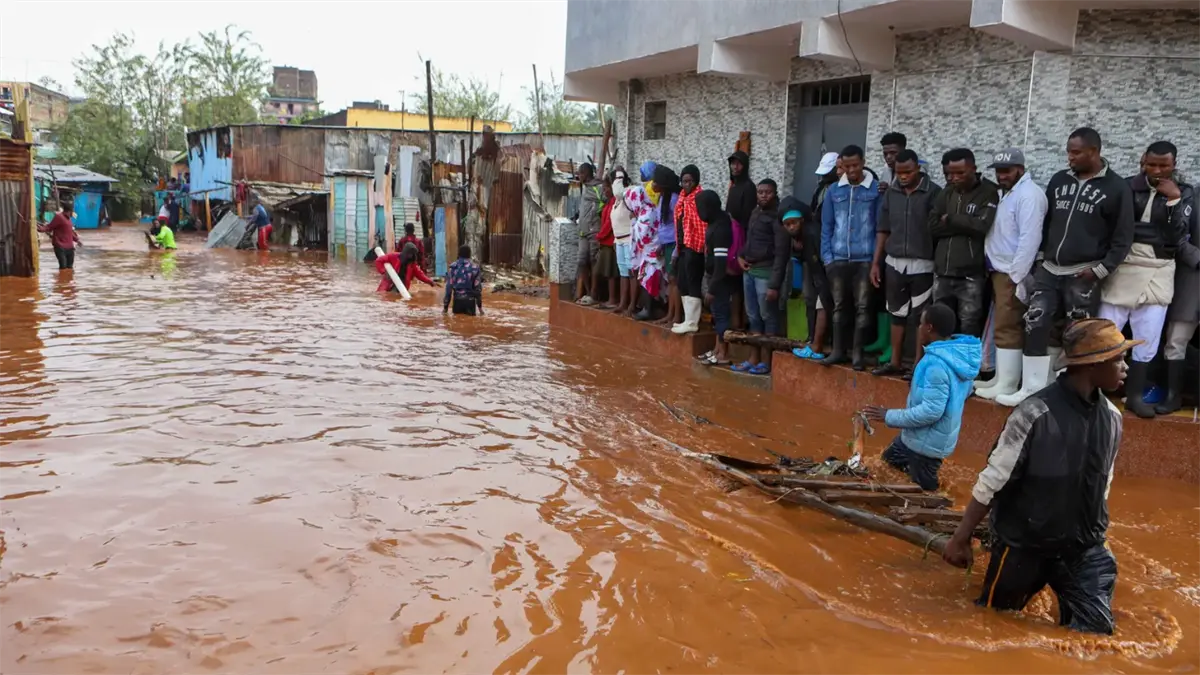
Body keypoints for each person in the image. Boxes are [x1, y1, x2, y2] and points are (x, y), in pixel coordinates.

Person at [943, 318, 1133, 636]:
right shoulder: (1032, 414)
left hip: (1083, 547)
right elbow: (994, 480)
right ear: (1092, 366)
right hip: (1025, 546)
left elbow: (1103, 483)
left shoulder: (1112, 418)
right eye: (1118, 360)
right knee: (992, 625)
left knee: (1096, 636)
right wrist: (960, 538)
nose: (1125, 367)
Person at [997, 128, 1135, 407]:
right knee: (1035, 323)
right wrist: (1038, 259)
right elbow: (1046, 224)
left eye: (1076, 152)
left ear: (1094, 152)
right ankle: (1033, 389)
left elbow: (1122, 238)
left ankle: (1065, 393)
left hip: (1083, 272)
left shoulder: (1117, 188)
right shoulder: (1059, 180)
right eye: (1068, 151)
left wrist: (1099, 270)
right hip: (1049, 269)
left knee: (1077, 333)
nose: (1069, 157)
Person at [1096, 141, 1192, 418]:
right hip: (1124, 267)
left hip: (1159, 271)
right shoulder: (1126, 187)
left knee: (1147, 337)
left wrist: (1173, 201)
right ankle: (1097, 393)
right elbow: (1118, 228)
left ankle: (1135, 395)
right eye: (1152, 164)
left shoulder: (1183, 192)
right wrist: (1150, 233)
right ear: (1143, 161)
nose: (1158, 170)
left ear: (1174, 165)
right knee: (1107, 333)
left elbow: (1178, 237)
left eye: (1164, 165)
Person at [862, 302, 981, 491]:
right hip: (915, 437)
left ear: (929, 328)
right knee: (884, 466)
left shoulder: (936, 365)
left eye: (921, 323)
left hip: (926, 447)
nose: (918, 328)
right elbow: (965, 391)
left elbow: (931, 412)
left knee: (926, 495)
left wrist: (888, 416)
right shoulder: (957, 357)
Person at [974, 148, 1047, 402]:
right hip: (998, 270)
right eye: (998, 171)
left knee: (1009, 327)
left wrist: (1017, 276)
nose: (1002, 175)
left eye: (1007, 171)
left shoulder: (1029, 195)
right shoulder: (1008, 194)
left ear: (1020, 168)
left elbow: (1030, 238)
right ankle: (1001, 379)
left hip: (1011, 272)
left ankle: (1007, 383)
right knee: (1002, 326)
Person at [870, 149, 941, 378]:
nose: (903, 176)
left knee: (921, 317)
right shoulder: (891, 194)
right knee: (896, 313)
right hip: (894, 263)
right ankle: (895, 362)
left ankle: (917, 365)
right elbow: (883, 229)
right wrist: (875, 263)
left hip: (923, 264)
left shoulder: (934, 193)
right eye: (899, 172)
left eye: (907, 171)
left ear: (918, 168)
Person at [820, 145, 882, 370]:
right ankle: (838, 350)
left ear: (863, 162)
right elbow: (826, 226)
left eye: (855, 165)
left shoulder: (876, 190)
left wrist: (876, 259)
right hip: (838, 259)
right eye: (847, 166)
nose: (852, 170)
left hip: (864, 260)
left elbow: (880, 228)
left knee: (863, 307)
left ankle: (857, 353)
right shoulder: (834, 191)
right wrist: (827, 258)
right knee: (838, 306)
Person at [928, 148, 998, 338]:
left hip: (970, 275)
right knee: (939, 323)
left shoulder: (989, 192)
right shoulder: (946, 193)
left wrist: (950, 218)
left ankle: (967, 366)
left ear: (973, 169)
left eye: (960, 173)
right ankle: (942, 363)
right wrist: (966, 223)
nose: (954, 178)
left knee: (969, 322)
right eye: (950, 174)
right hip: (942, 272)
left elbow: (982, 225)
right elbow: (932, 226)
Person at [732, 178, 788, 375]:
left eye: (768, 192)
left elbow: (782, 253)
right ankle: (753, 358)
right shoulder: (755, 212)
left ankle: (767, 361)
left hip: (766, 273)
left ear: (775, 194)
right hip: (749, 271)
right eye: (760, 192)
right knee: (753, 316)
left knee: (768, 317)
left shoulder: (778, 217)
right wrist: (740, 256)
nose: (763, 196)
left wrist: (775, 284)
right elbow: (750, 240)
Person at [1159, 152, 1200, 414]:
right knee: (1176, 340)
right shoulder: (1191, 196)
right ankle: (1173, 396)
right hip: (1191, 280)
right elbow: (1178, 236)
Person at [795, 152, 841, 360]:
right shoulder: (821, 188)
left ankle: (822, 343)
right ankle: (813, 338)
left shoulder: (838, 191)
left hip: (830, 253)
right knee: (811, 297)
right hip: (813, 250)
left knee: (826, 299)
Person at [696, 190, 734, 366]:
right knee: (717, 316)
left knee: (722, 315)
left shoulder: (721, 228)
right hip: (712, 276)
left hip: (719, 280)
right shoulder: (714, 222)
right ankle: (717, 349)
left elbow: (720, 264)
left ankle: (723, 353)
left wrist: (712, 289)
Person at [628, 161, 665, 320]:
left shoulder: (647, 212)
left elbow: (642, 236)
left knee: (648, 278)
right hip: (649, 249)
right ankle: (648, 308)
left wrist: (634, 223)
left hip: (652, 249)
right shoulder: (645, 210)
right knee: (646, 278)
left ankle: (649, 310)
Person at [672, 164, 705, 334]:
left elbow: (701, 224)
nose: (686, 185)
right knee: (683, 282)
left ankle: (693, 321)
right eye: (683, 181)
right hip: (683, 246)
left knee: (693, 282)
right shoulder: (682, 198)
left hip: (695, 247)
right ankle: (687, 319)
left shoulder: (699, 198)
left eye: (689, 181)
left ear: (696, 181)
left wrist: (698, 247)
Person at [727, 150, 756, 329]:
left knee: (739, 281)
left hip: (743, 237)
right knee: (733, 281)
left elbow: (747, 217)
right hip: (733, 235)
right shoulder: (734, 185)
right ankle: (736, 319)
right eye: (733, 163)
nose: (735, 167)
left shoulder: (748, 187)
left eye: (739, 164)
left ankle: (741, 321)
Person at [655, 167, 682, 326]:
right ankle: (670, 314)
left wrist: (676, 250)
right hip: (665, 243)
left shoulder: (674, 199)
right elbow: (661, 224)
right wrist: (659, 244)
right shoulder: (662, 198)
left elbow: (678, 225)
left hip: (674, 243)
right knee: (670, 280)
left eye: (656, 182)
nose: (653, 185)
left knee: (674, 279)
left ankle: (676, 316)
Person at [575, 163, 605, 305]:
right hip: (582, 231)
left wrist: (597, 215)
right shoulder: (585, 187)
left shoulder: (597, 188)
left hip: (594, 230)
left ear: (587, 173)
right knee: (581, 261)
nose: (578, 176)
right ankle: (587, 292)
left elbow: (607, 200)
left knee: (594, 261)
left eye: (581, 173)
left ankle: (593, 293)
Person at [609, 167, 636, 316]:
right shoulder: (617, 201)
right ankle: (623, 303)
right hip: (619, 240)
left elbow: (619, 191)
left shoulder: (628, 195)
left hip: (629, 239)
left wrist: (618, 175)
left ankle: (631, 305)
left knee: (632, 273)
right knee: (623, 273)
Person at [593, 177, 621, 310]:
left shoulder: (615, 202)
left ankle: (613, 299)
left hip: (609, 242)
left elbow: (610, 224)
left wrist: (599, 236)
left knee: (611, 273)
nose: (604, 191)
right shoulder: (609, 202)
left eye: (606, 188)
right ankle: (609, 298)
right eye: (603, 189)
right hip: (605, 241)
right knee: (606, 271)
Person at [38, 202, 80, 269]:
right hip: (60, 247)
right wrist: (40, 229)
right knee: (63, 267)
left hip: (70, 248)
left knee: (70, 268)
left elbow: (70, 232)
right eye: (73, 210)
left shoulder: (69, 219)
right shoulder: (59, 217)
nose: (73, 212)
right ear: (70, 211)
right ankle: (62, 279)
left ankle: (67, 279)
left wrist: (77, 240)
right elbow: (49, 227)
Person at [444, 245, 484, 315]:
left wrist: (445, 308)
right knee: (470, 324)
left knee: (457, 323)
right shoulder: (475, 268)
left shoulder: (453, 267)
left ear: (458, 254)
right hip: (470, 302)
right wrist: (480, 308)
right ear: (469, 254)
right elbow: (478, 290)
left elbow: (448, 289)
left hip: (457, 302)